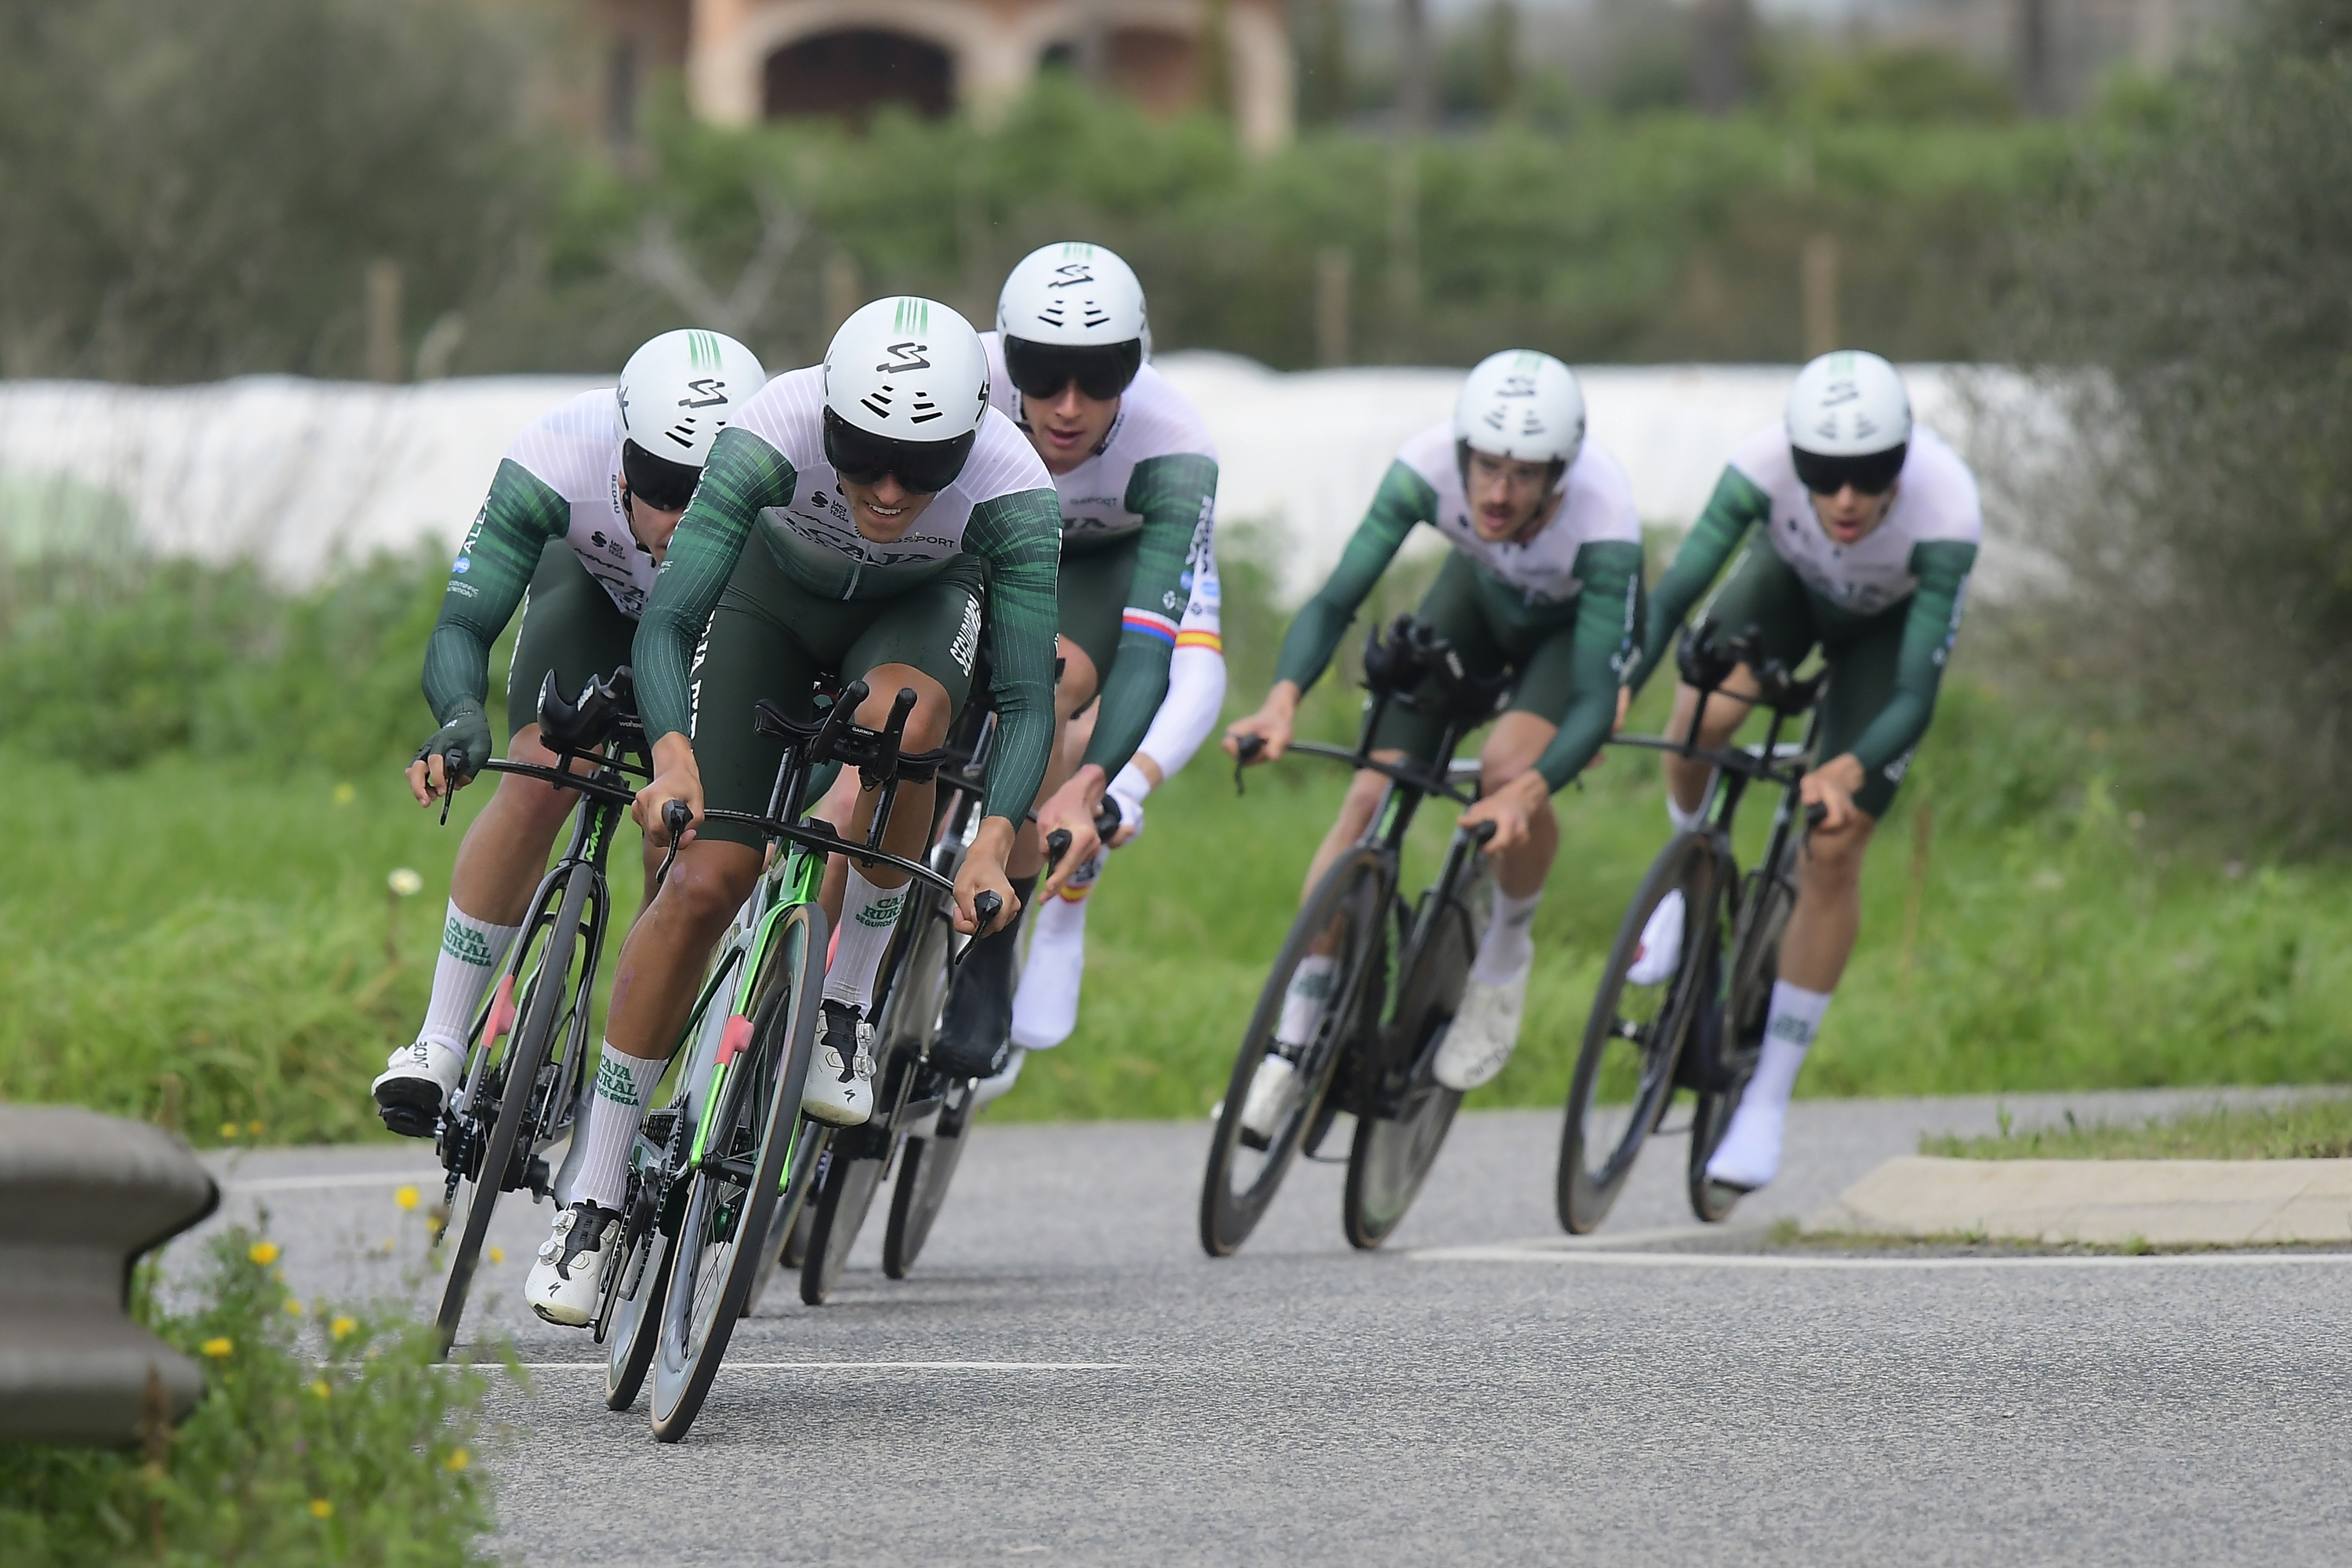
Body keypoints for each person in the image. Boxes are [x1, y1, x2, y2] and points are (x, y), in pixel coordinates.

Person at [519, 297, 1065, 1326]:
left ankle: (846, 1005)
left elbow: (1029, 698)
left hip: (915, 615)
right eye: (862, 457)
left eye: (924, 466)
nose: (892, 490)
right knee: (705, 879)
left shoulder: (1013, 488)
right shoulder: (769, 431)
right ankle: (591, 1196)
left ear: (974, 436)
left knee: (907, 725)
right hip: (769, 605)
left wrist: (995, 839)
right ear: (827, 416)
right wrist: (675, 758)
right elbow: (670, 618)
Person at [1223, 349, 1645, 1132]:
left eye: (1523, 475)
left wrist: (1526, 792)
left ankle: (1504, 956)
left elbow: (1593, 699)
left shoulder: (1604, 514)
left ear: (1559, 474)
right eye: (1485, 467)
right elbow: (1336, 597)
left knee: (1506, 766)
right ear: (1461, 454)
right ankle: (1294, 1041)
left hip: (1570, 634)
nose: (1497, 491)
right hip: (1477, 599)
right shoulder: (1422, 467)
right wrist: (1281, 701)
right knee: (1363, 800)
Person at [374, 328, 766, 1137]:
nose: (684, 518)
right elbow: (463, 621)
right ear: (621, 461)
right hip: (597, 601)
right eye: (662, 487)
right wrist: (457, 716)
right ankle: (441, 1039)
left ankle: (654, 1066)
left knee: (686, 840)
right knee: (540, 765)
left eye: (712, 492)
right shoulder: (558, 450)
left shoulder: (790, 470)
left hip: (719, 632)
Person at [1630, 349, 1980, 1192]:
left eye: (1869, 476)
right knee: (1699, 718)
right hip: (1790, 586)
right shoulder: (1759, 466)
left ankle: (1767, 1100)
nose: (1847, 499)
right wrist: (1613, 691)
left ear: (1903, 461)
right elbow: (1677, 591)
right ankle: (1687, 877)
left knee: (1834, 842)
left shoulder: (1946, 510)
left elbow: (1914, 695)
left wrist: (1845, 769)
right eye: (1825, 476)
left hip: (1885, 639)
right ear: (1797, 464)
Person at [921, 240, 1221, 1087]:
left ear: (1137, 367)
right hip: (974, 543)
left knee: (1042, 682)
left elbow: (1153, 650)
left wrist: (1093, 782)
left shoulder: (1176, 444)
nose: (1067, 405)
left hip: (1092, 567)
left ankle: (988, 959)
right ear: (1006, 357)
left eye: (1099, 380)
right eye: (1043, 377)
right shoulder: (960, 379)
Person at [998, 527, 1227, 1087]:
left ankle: (1060, 904)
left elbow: (1198, 669)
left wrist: (1123, 790)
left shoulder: (1165, 459)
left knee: (1075, 721)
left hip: (1096, 620)